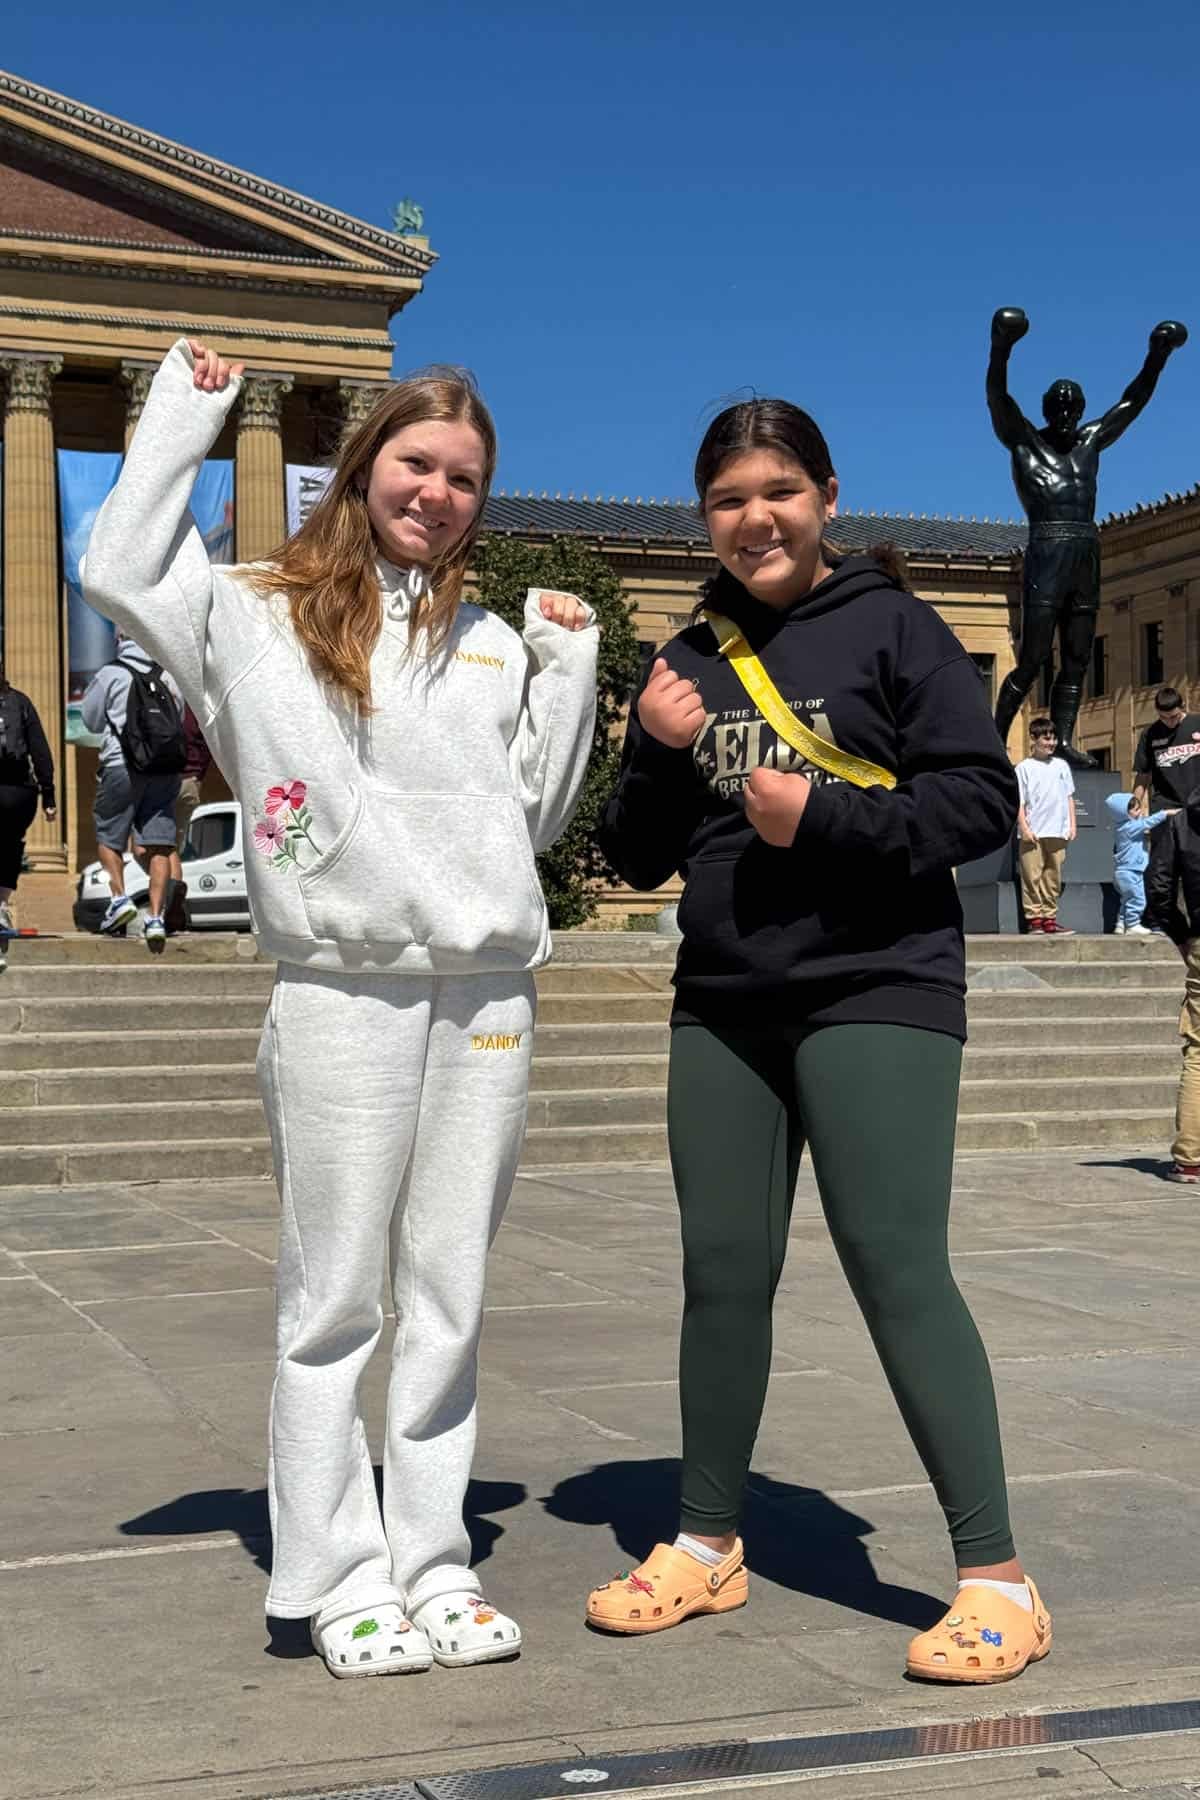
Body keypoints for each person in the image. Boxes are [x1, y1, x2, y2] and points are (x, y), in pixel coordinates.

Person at [83, 338, 599, 1679]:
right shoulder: (254, 611)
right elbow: (119, 567)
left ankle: (431, 1557)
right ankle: (327, 1571)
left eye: (465, 478)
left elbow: (531, 821)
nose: (438, 492)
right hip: (340, 987)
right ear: (364, 464)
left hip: (484, 995)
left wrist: (569, 675)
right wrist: (184, 414)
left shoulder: (488, 644)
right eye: (417, 464)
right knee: (335, 1300)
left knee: (450, 1293)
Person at [587, 397, 1051, 1684]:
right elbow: (632, 851)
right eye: (730, 499)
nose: (757, 518)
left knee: (896, 1261)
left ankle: (997, 1576)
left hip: (877, 981)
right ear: (706, 516)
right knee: (721, 1270)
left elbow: (977, 805)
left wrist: (820, 819)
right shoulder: (686, 651)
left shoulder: (897, 628)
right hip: (725, 994)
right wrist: (648, 743)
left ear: (829, 497)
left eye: (779, 490)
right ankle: (706, 1539)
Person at [987, 309, 1188, 766]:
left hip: (1084, 550)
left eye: (1072, 407)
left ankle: (1060, 745)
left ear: (1079, 411)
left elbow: (1131, 403)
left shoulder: (1091, 441)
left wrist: (1157, 357)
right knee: (1034, 657)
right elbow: (997, 395)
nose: (1065, 413)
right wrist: (1001, 345)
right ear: (1045, 410)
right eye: (1057, 406)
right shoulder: (1023, 441)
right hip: (1048, 546)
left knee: (1077, 657)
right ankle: (991, 740)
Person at [80, 635, 184, 950]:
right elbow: (177, 720)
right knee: (159, 846)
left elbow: (92, 721)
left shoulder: (111, 673)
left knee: (109, 836)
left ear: (120, 640)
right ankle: (155, 918)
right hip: (163, 770)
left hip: (120, 765)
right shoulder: (167, 675)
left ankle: (120, 898)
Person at [1146, 797, 1200, 1182]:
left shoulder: (1182, 823)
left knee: (1199, 1050)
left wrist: (1182, 937)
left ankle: (1190, 1156)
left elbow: (1159, 888)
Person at [0, 659, 56, 937]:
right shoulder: (20, 702)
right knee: (10, 846)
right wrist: (49, 796)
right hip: (20, 793)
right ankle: (1, 907)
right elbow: (40, 751)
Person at [1015, 719, 1077, 936]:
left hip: (1057, 830)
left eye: (1053, 738)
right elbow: (1019, 801)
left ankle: (1050, 918)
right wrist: (1024, 827)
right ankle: (1035, 920)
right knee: (1032, 876)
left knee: (1053, 876)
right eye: (1046, 738)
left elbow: (1069, 797)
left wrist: (1072, 824)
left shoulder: (1061, 766)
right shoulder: (1023, 768)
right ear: (1034, 739)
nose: (1051, 743)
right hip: (1034, 832)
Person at [1106, 790, 1174, 935]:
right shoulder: (1130, 828)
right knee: (1138, 899)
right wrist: (1166, 813)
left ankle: (1121, 924)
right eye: (1136, 809)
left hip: (1125, 871)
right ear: (1125, 813)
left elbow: (1141, 822)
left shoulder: (1122, 827)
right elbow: (1149, 822)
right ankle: (1132, 925)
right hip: (1131, 872)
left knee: (1127, 900)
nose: (1140, 811)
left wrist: (1138, 816)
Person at [1133, 688, 1200, 826]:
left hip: (1196, 804)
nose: (1169, 722)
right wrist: (1134, 804)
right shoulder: (1150, 733)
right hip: (1165, 808)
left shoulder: (1197, 724)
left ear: (1182, 706)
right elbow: (1142, 775)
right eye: (1163, 717)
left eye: (1173, 717)